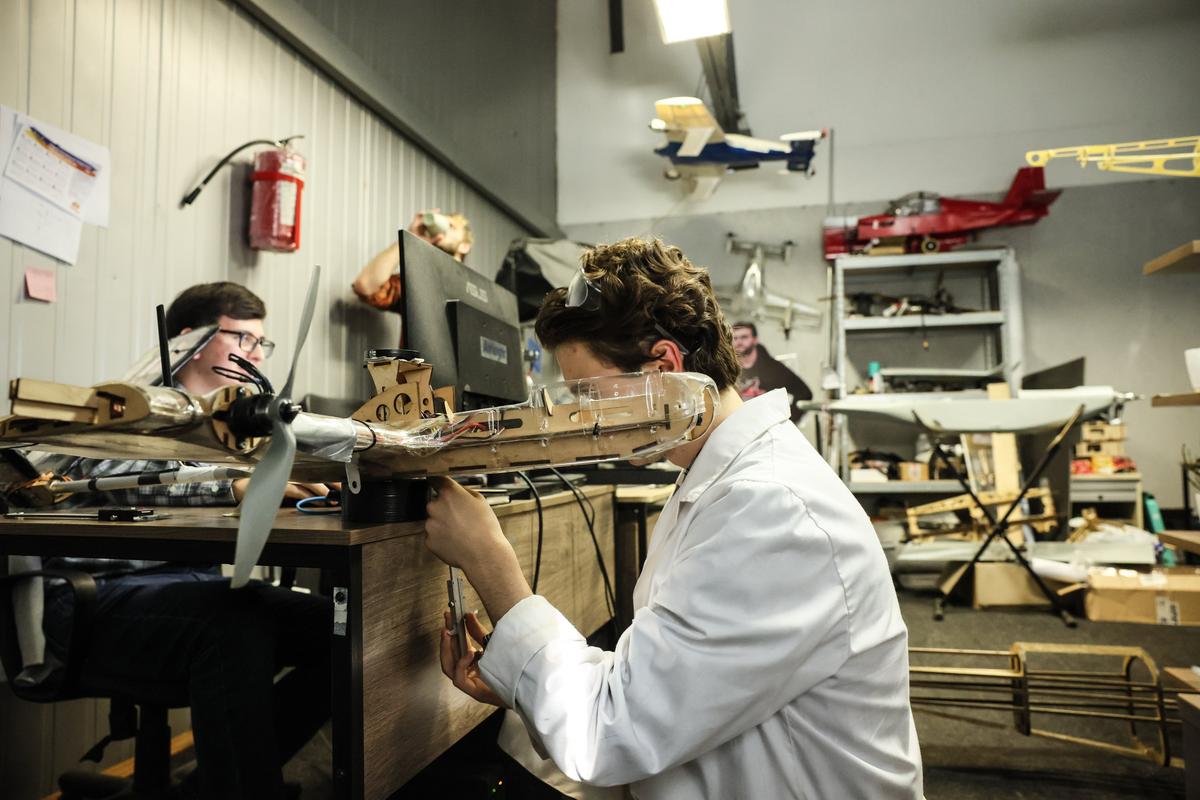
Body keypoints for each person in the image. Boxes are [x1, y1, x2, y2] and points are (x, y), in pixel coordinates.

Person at [424, 238, 922, 798]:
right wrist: (523, 683)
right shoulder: (718, 477)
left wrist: (490, 562)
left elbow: (611, 733)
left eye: (588, 393)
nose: (581, 416)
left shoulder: (772, 509)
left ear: (663, 366)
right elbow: (667, 670)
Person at [40, 282, 332, 800]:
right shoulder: (124, 404)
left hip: (187, 588)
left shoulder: (230, 424)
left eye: (261, 344)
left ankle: (208, 788)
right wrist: (234, 483)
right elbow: (119, 472)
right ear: (187, 340)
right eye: (242, 338)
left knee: (340, 631)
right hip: (95, 600)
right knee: (231, 624)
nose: (255, 355)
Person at [351, 209, 473, 312]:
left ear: (464, 246)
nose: (445, 230)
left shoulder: (474, 291)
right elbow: (365, 285)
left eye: (452, 227)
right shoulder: (418, 282)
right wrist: (409, 238)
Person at [731, 321, 813, 424]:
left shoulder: (773, 369)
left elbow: (804, 393)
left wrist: (786, 422)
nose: (739, 342)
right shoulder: (728, 369)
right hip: (739, 427)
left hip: (765, 430)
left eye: (744, 337)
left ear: (755, 340)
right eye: (735, 338)